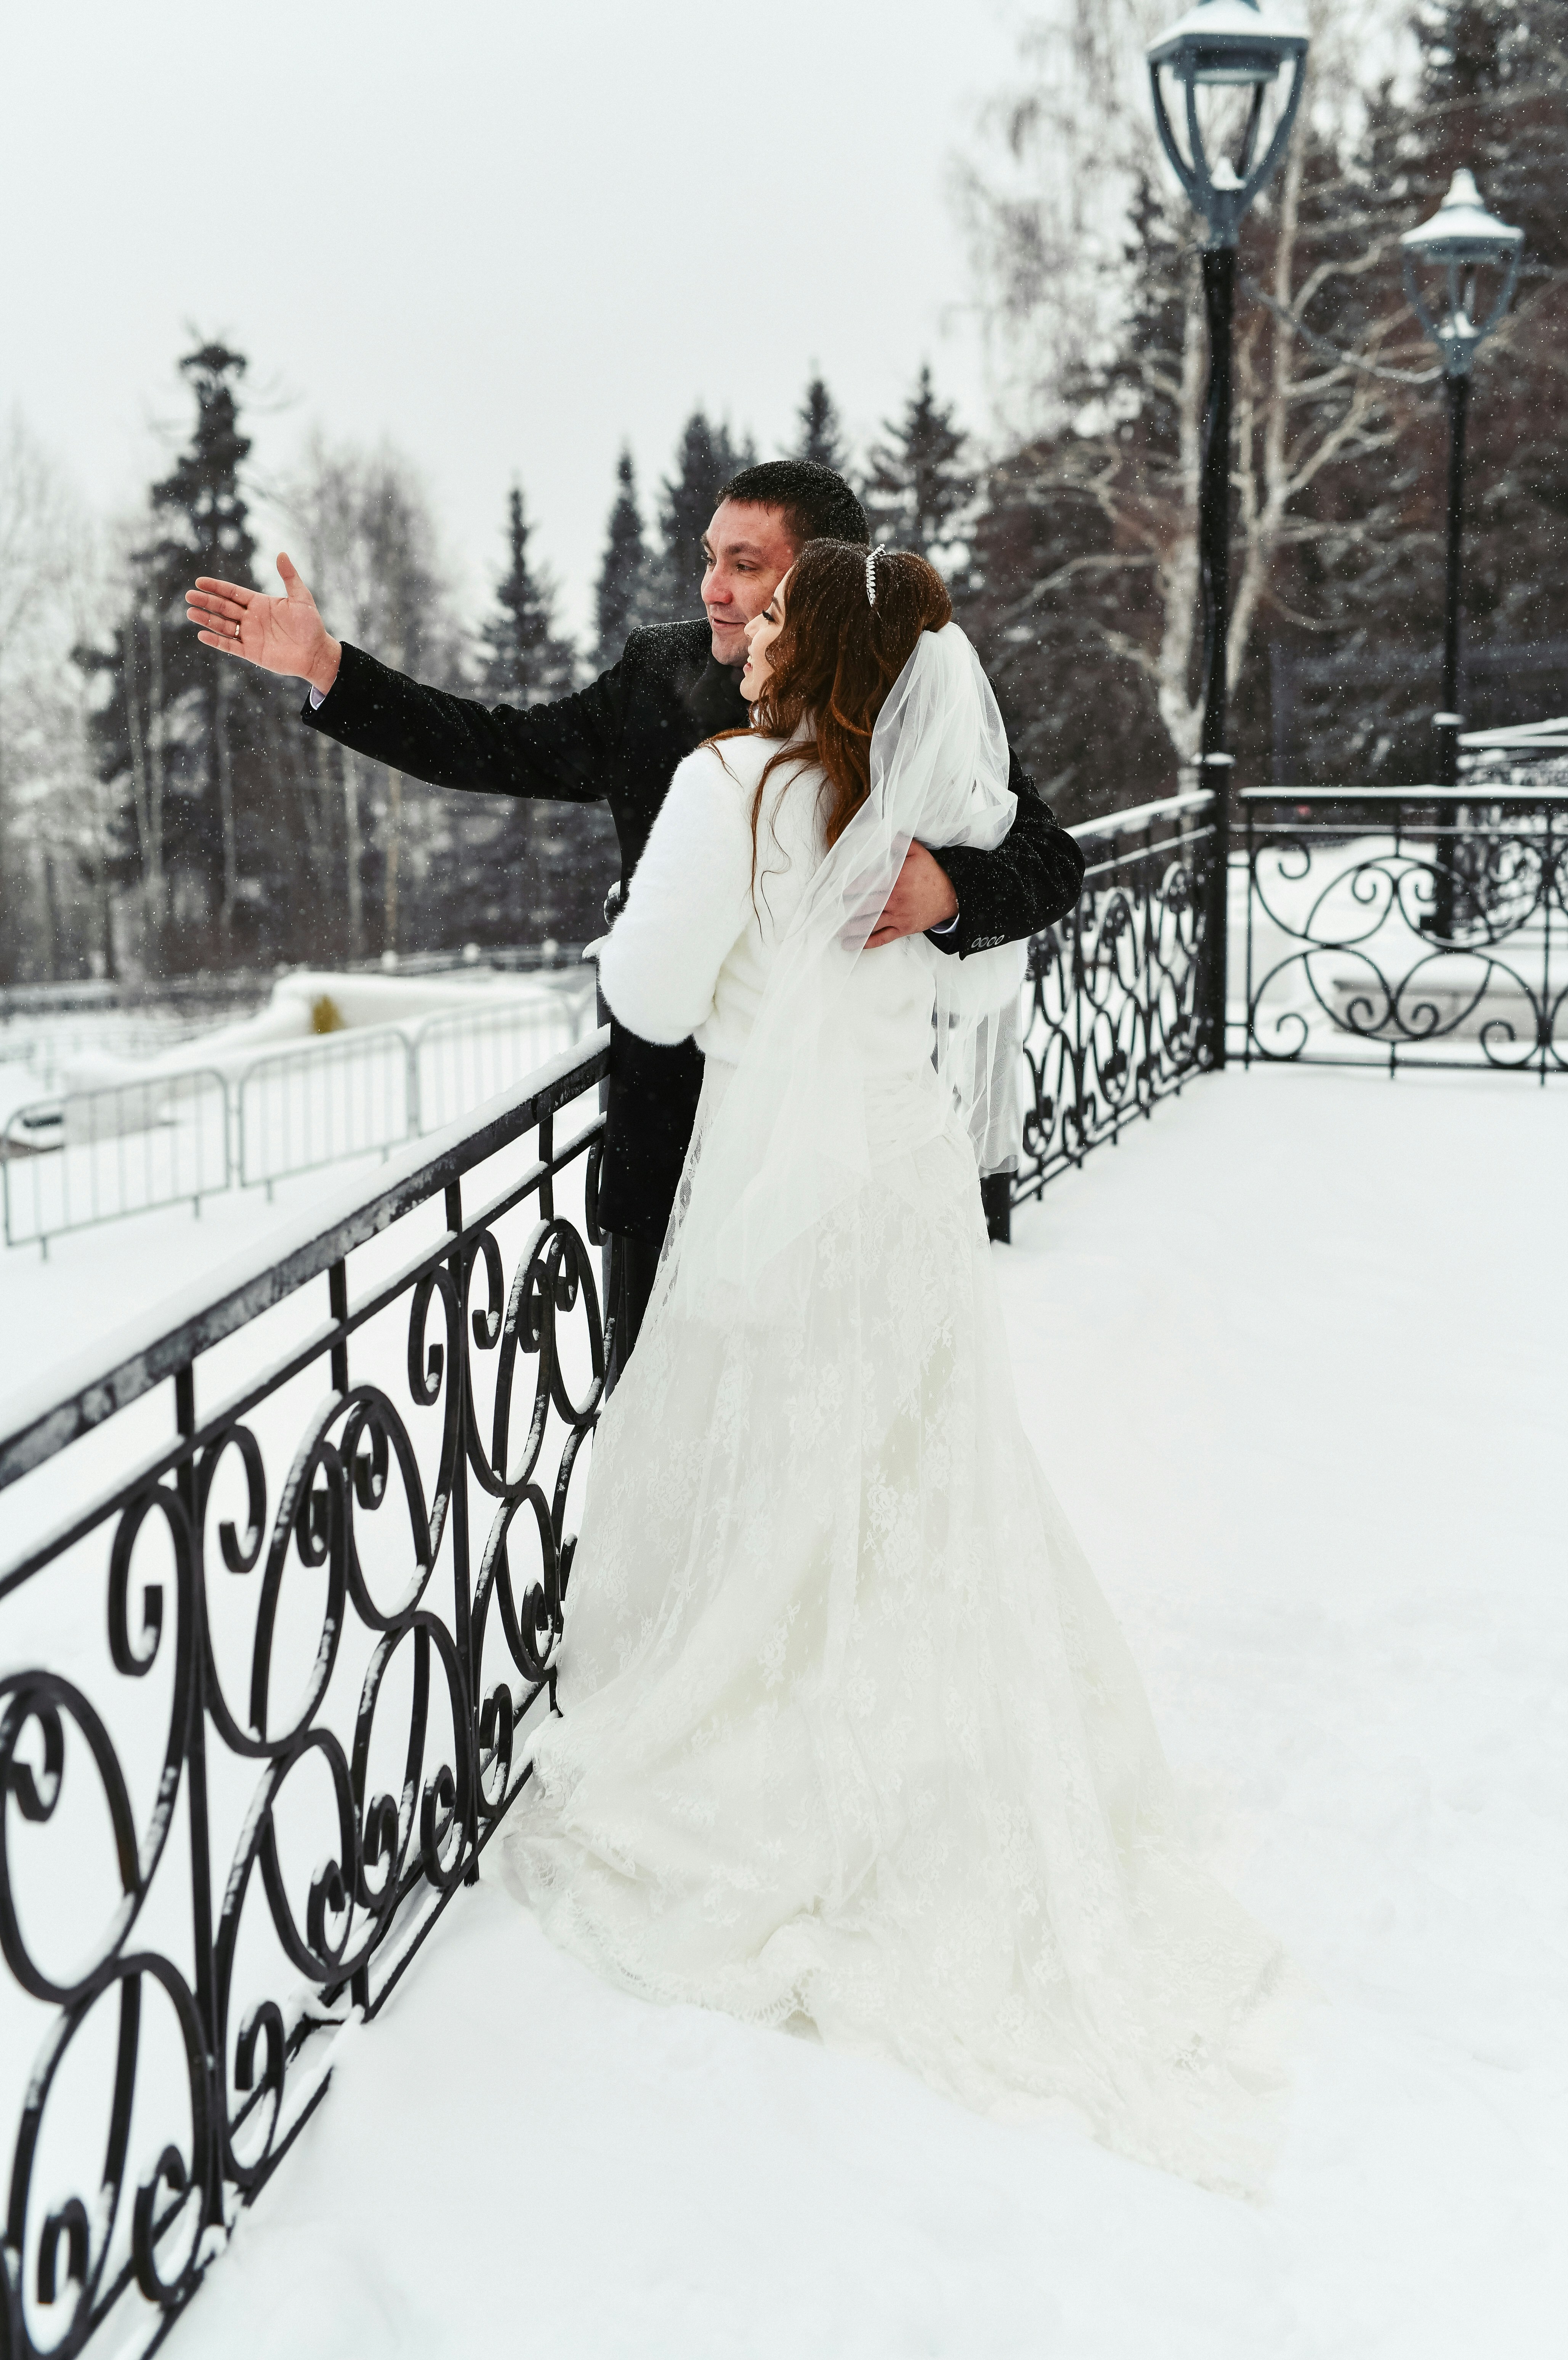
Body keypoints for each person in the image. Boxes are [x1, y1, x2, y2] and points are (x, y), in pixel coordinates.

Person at [492, 542, 1291, 2190]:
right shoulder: (918, 814)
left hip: (777, 1206)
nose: (746, 630)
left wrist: (661, 957)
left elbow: (647, 996)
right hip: (906, 1187)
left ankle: (770, 1756)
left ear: (814, 650)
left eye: (770, 609)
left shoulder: (733, 786)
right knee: (911, 1469)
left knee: (768, 1469)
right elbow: (989, 928)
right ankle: (918, 1746)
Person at [185, 461, 1084, 1373]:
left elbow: (1051, 859)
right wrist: (327, 668)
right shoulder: (659, 673)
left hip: (840, 1157)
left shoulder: (910, 687)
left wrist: (952, 892)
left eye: (745, 566)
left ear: (821, 577)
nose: (714, 590)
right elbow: (496, 746)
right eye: (709, 560)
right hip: (673, 1147)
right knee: (671, 1426)